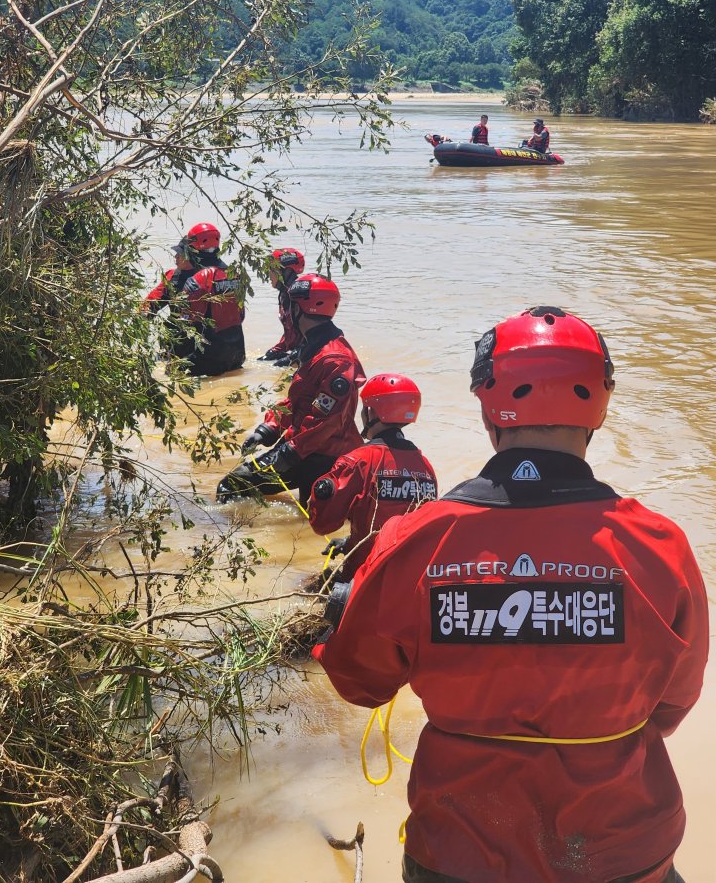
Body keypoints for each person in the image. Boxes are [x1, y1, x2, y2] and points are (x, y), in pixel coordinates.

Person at [314, 306, 708, 883]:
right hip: (626, 853)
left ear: (487, 408)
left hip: (461, 852)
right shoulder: (659, 545)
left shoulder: (417, 540)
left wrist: (341, 614)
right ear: (599, 408)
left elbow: (358, 682)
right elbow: (672, 705)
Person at [216, 274, 366, 504]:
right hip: (303, 449)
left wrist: (285, 454)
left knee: (313, 518)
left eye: (290, 306)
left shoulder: (335, 360)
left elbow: (325, 422)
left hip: (326, 456)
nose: (285, 313)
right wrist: (267, 429)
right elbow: (298, 400)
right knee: (234, 485)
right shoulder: (313, 347)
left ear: (301, 310)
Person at [309, 373, 438, 581]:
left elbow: (323, 524)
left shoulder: (357, 461)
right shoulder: (426, 468)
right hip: (409, 579)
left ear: (370, 412)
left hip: (364, 579)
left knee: (309, 583)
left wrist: (321, 493)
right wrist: (349, 541)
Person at [143, 222, 245, 376]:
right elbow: (147, 309)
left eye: (180, 253)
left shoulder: (200, 280)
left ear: (191, 254)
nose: (175, 256)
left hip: (203, 357)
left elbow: (187, 323)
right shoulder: (228, 274)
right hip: (235, 356)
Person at [257, 248, 305, 367]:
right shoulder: (284, 295)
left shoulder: (299, 298)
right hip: (295, 350)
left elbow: (311, 337)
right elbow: (290, 333)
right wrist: (276, 350)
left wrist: (293, 356)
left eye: (272, 270)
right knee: (262, 361)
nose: (269, 276)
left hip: (306, 351)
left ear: (286, 272)